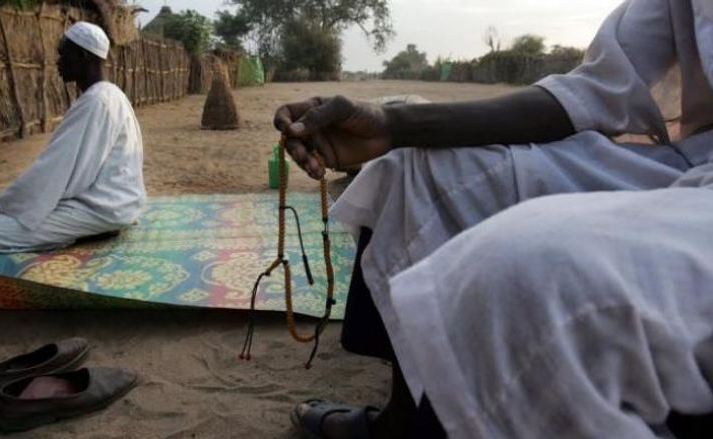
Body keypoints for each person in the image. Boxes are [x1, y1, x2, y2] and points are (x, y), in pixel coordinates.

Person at [275, 0, 713, 437]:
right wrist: (390, 126)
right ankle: (403, 421)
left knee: (531, 267)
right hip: (687, 164)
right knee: (413, 170)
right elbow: (590, 92)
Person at [0, 21, 146, 254]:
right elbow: (68, 174)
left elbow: (54, 170)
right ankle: (87, 229)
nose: (58, 62)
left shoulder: (96, 102)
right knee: (37, 206)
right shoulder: (111, 94)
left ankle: (85, 232)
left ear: (82, 55)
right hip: (117, 201)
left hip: (104, 207)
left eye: (63, 54)